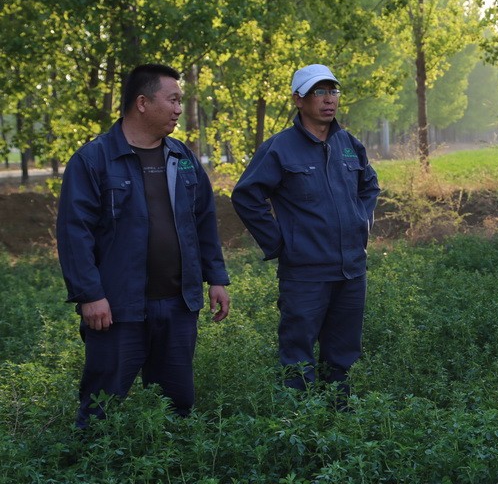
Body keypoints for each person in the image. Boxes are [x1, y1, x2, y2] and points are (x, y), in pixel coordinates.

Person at [57, 64, 231, 428]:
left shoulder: (182, 158)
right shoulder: (93, 160)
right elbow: (75, 234)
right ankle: (91, 465)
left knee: (177, 406)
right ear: (142, 102)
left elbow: (203, 221)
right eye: (172, 100)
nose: (178, 109)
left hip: (178, 305)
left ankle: (175, 464)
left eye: (180, 101)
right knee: (101, 406)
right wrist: (90, 294)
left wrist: (216, 277)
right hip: (118, 308)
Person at [231, 64, 379, 401]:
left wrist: (360, 221)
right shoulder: (280, 148)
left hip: (351, 271)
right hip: (305, 274)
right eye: (319, 92)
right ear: (299, 99)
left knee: (344, 356)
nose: (329, 100)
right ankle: (299, 425)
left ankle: (340, 420)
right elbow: (246, 195)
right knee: (297, 356)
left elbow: (369, 186)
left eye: (333, 91)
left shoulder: (348, 144)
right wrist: (280, 242)